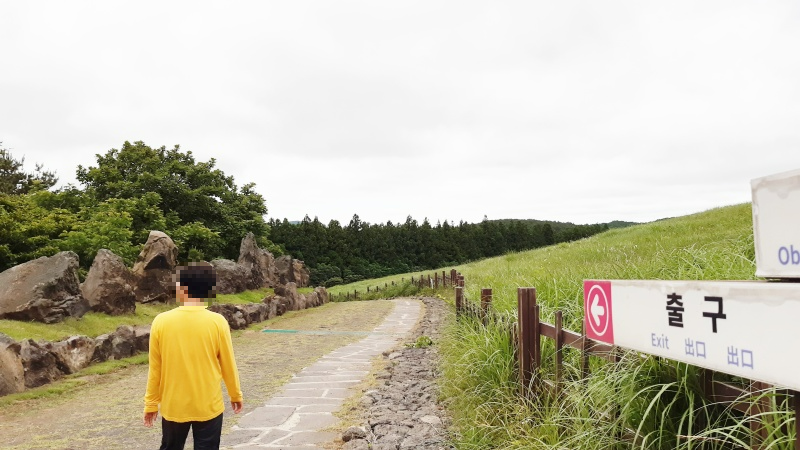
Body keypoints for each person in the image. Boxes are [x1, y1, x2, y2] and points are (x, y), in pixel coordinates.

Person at [143, 262, 244, 450]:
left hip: (174, 405)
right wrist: (235, 394)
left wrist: (151, 404)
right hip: (208, 404)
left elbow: (155, 368)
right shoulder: (217, 322)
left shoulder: (161, 322)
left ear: (181, 287)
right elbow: (228, 364)